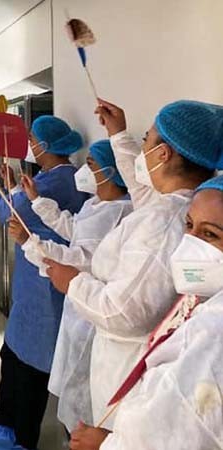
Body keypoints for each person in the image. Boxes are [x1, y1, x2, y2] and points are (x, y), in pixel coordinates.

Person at [44, 100, 222, 429]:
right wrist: (118, 135)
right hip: (130, 365)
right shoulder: (179, 205)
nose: (141, 153)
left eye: (145, 141)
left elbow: (124, 312)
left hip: (129, 373)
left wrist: (72, 282)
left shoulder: (161, 224)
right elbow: (144, 192)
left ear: (163, 153)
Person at [67, 175, 223, 450]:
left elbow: (174, 434)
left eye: (210, 234)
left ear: (164, 154)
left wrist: (107, 445)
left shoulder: (212, 332)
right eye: (189, 225)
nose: (190, 242)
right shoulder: (200, 301)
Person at [0, 115, 90, 450]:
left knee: (31, 365)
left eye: (33, 140)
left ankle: (21, 436)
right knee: (13, 354)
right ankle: (3, 423)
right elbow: (25, 206)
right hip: (31, 284)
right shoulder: (50, 177)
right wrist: (12, 185)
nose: (30, 145)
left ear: (46, 145)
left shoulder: (61, 181)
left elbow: (11, 214)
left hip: (44, 286)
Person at [7, 139, 133, 432]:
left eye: (90, 164)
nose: (83, 171)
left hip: (92, 312)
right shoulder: (95, 203)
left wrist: (30, 243)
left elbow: (77, 259)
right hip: (77, 306)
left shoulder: (118, 213)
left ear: (109, 171)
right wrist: (36, 200)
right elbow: (72, 228)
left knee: (84, 390)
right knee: (73, 383)